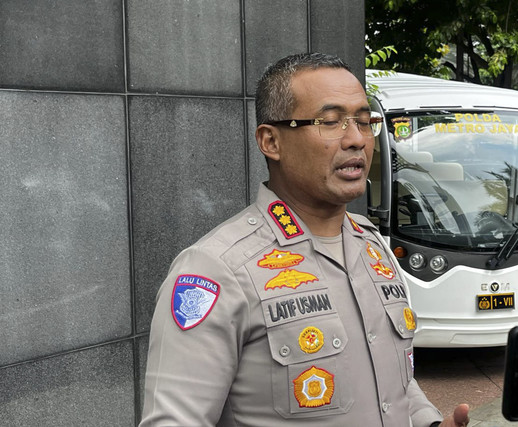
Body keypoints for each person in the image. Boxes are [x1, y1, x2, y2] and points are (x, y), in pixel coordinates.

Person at [139, 52, 469, 427]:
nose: (357, 140)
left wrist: (428, 422)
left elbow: (391, 379)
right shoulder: (217, 269)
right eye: (331, 122)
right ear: (271, 142)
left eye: (364, 121)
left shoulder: (372, 245)